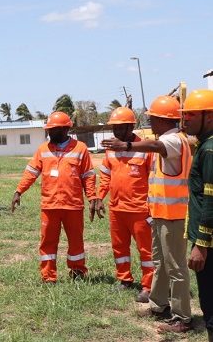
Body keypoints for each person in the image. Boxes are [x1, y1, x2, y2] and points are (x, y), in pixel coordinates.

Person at [102, 96, 192, 333]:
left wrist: (128, 146)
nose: (150, 122)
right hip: (160, 212)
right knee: (160, 262)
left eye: (152, 118)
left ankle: (182, 317)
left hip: (173, 215)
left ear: (163, 119)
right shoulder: (167, 137)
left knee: (175, 266)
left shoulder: (173, 139)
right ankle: (158, 304)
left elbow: (155, 147)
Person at [12, 111, 98, 283]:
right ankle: (48, 276)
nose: (49, 133)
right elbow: (31, 172)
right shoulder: (43, 150)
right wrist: (18, 191)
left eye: (53, 130)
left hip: (72, 206)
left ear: (66, 129)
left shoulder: (80, 149)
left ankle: (77, 272)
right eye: (49, 130)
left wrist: (92, 198)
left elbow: (88, 176)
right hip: (49, 206)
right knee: (47, 242)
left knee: (76, 242)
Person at [97, 107, 155, 303]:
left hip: (140, 210)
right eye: (114, 127)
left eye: (121, 127)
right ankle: (124, 279)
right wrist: (99, 196)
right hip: (117, 208)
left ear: (131, 126)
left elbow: (154, 179)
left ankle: (149, 286)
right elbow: (105, 174)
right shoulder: (111, 149)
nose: (117, 132)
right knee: (119, 247)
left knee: (146, 250)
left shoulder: (145, 148)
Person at [184, 89, 213, 341]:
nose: (186, 119)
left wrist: (201, 245)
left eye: (192, 114)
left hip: (209, 245)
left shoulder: (209, 150)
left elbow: (210, 199)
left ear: (210, 117)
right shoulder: (204, 145)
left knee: (211, 307)